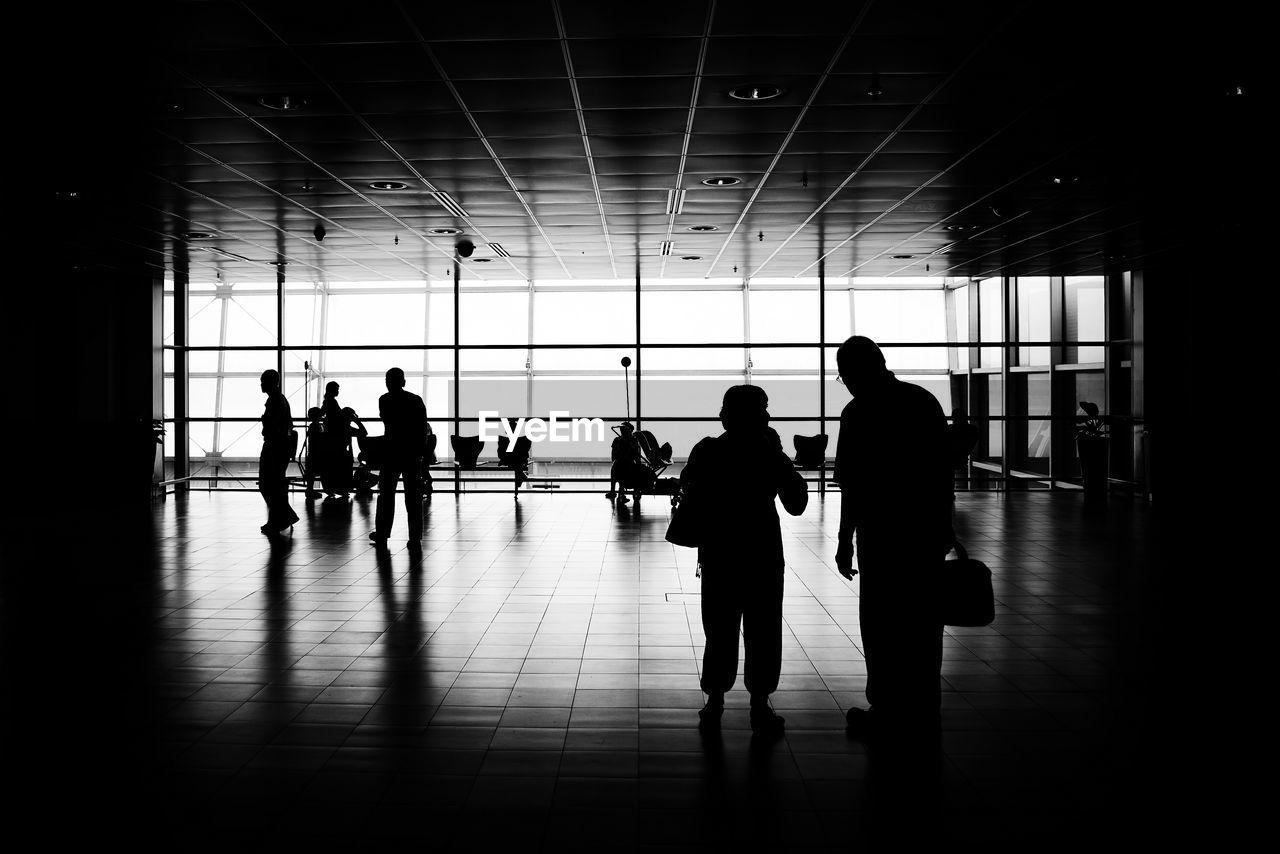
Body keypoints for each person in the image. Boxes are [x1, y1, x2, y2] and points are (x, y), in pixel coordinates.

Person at [833, 336, 955, 744]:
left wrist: (844, 538)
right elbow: (942, 472)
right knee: (923, 622)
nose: (847, 384)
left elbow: (852, 485)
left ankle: (884, 707)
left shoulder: (856, 413)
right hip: (922, 530)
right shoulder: (923, 402)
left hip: (880, 533)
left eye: (846, 376)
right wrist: (945, 525)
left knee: (882, 622)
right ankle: (924, 706)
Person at [680, 385, 808, 736]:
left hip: (720, 553)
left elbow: (688, 491)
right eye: (764, 409)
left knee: (719, 629)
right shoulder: (768, 453)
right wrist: (779, 458)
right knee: (764, 629)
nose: (768, 415)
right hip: (763, 552)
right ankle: (759, 704)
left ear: (725, 415)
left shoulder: (707, 451)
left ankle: (715, 701)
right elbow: (796, 503)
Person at [371, 367, 427, 548]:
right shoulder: (415, 400)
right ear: (403, 382)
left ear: (387, 382)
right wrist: (420, 454)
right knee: (413, 497)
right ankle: (415, 537)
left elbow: (387, 422)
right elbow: (421, 429)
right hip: (411, 453)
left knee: (386, 495)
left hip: (391, 453)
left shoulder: (384, 400)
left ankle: (382, 534)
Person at [258, 369, 299, 535]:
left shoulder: (275, 401)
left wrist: (265, 424)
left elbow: (275, 427)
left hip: (274, 447)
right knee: (274, 485)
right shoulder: (279, 400)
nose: (261, 385)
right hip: (279, 447)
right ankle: (281, 518)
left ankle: (282, 518)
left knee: (268, 484)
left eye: (264, 381)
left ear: (272, 383)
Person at [606, 421, 647, 505]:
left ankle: (617, 491)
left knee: (619, 468)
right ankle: (615, 491)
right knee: (617, 467)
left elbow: (636, 455)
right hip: (621, 463)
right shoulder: (620, 440)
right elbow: (614, 453)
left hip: (627, 463)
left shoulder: (632, 441)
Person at [303, 406, 325, 500]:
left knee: (311, 474)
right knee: (314, 472)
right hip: (317, 452)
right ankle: (311, 491)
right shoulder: (318, 426)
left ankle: (310, 490)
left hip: (312, 452)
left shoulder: (312, 426)